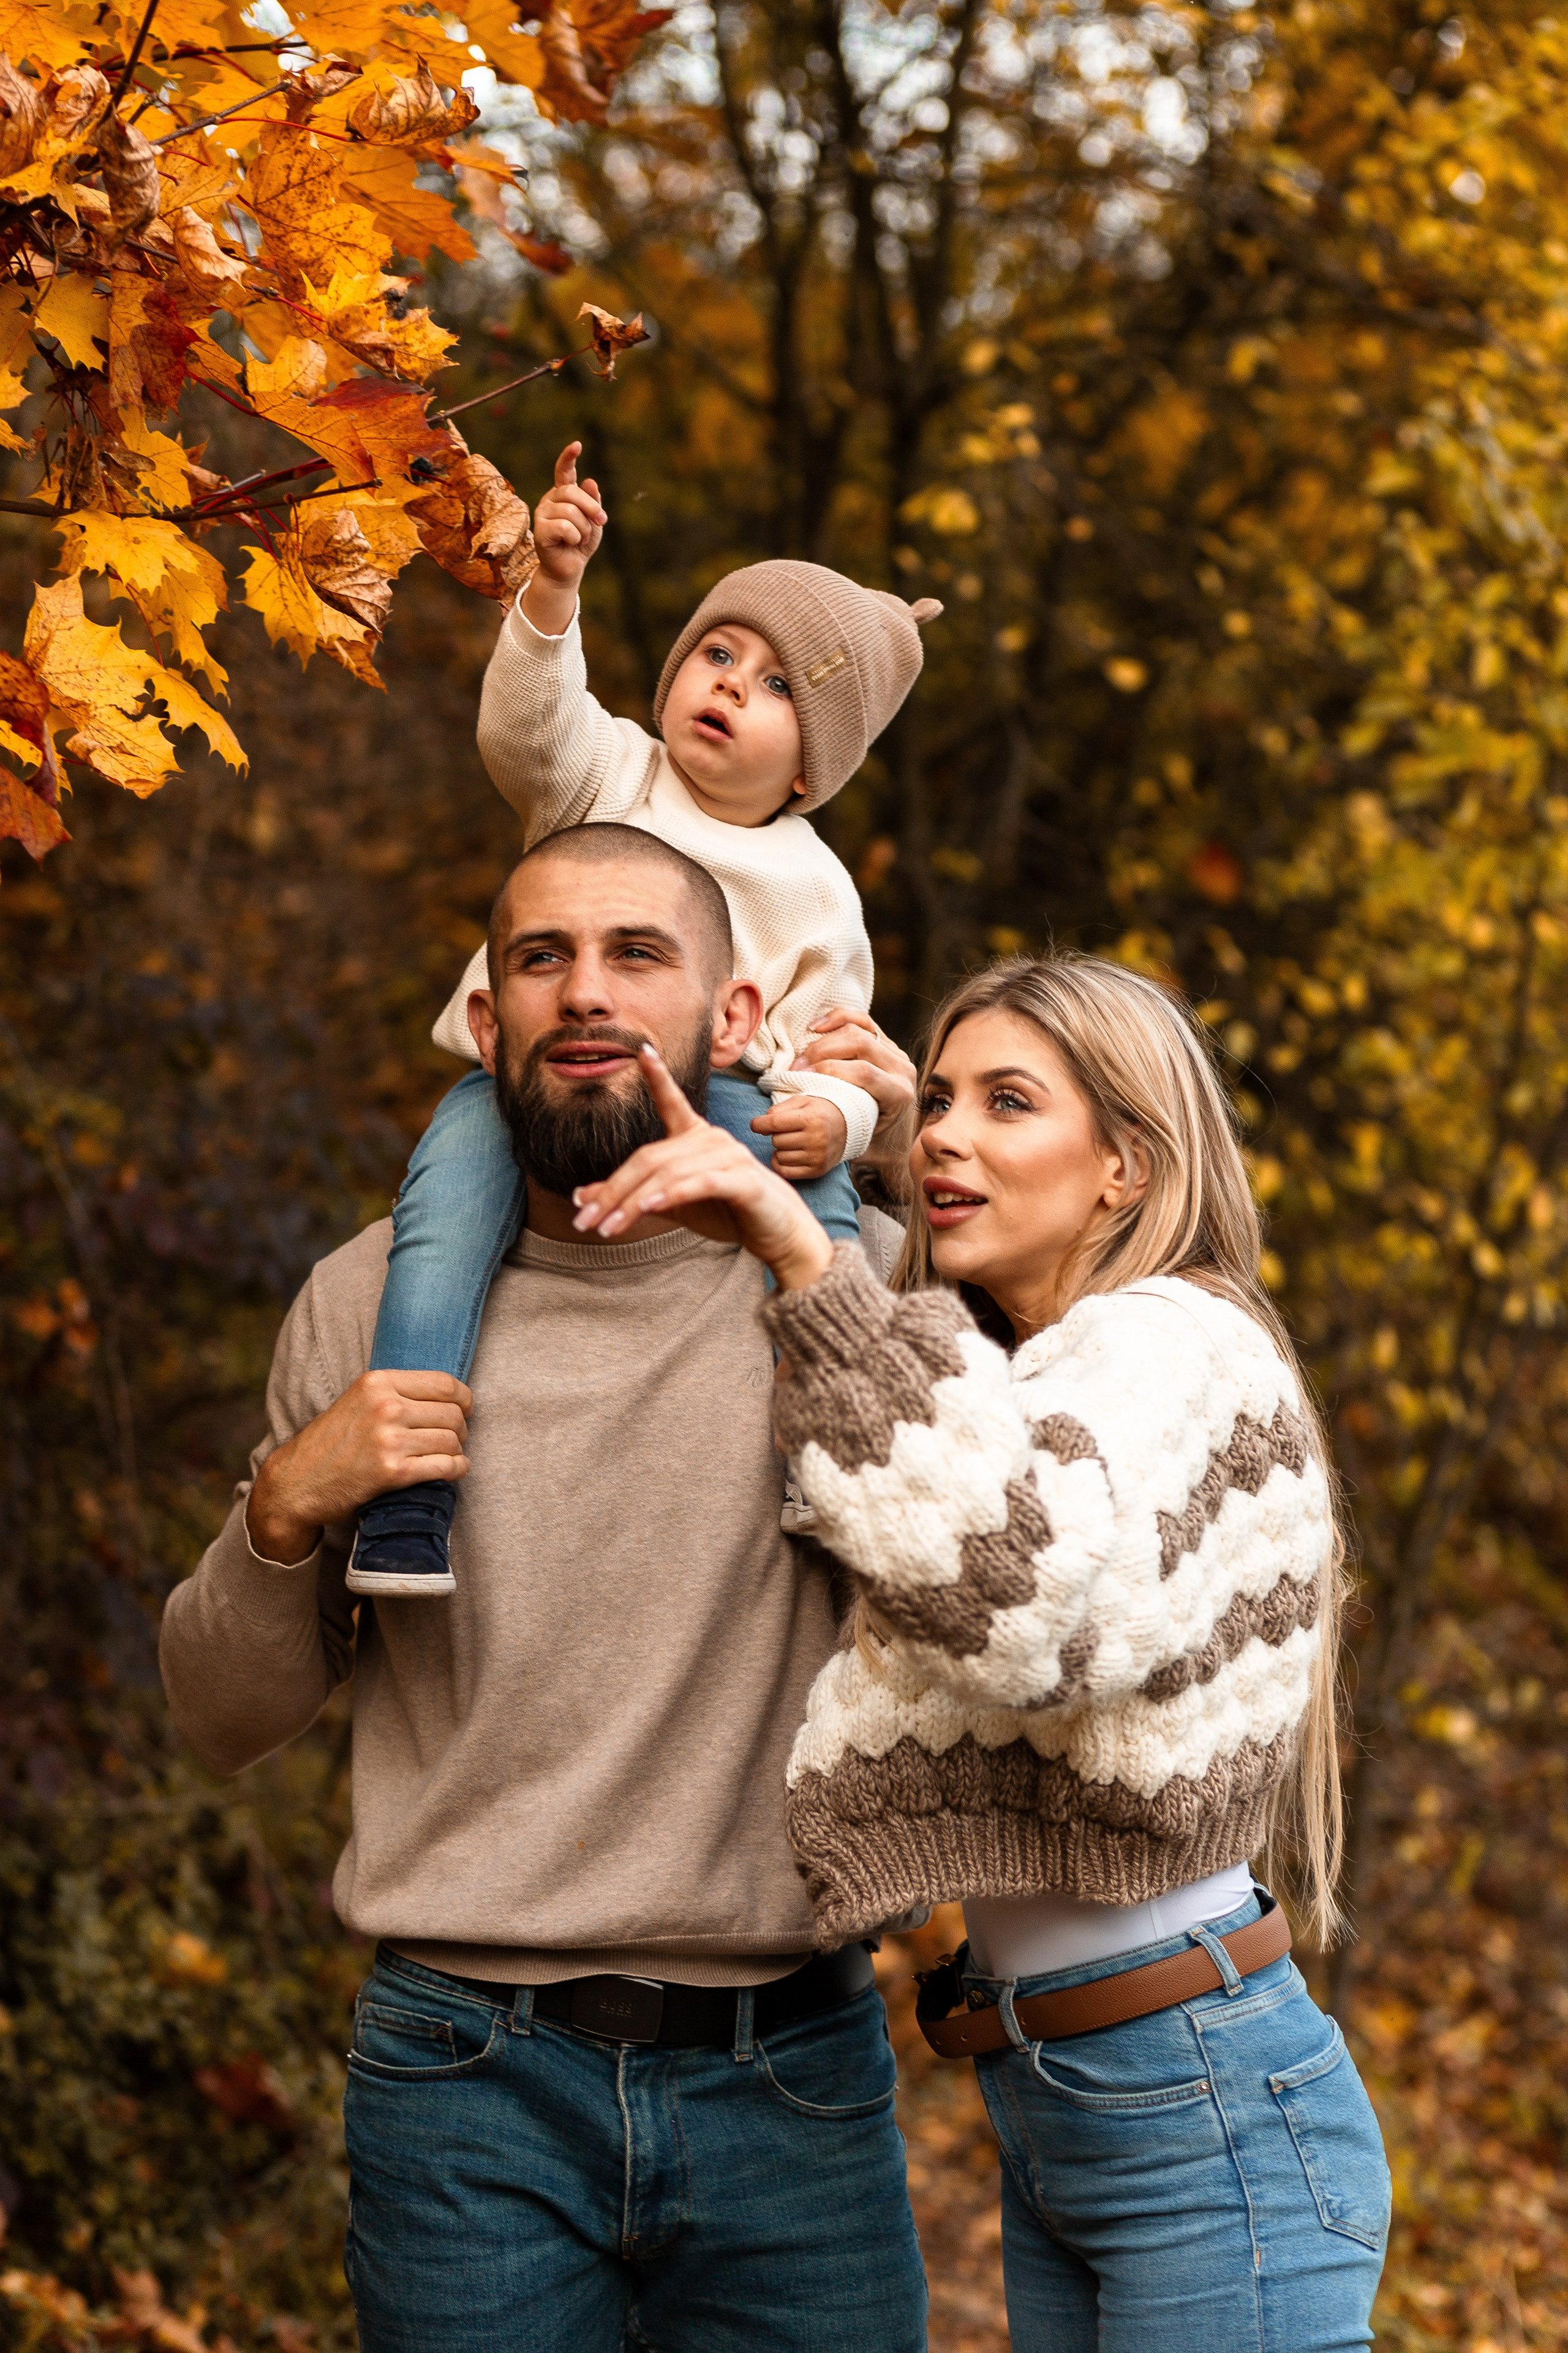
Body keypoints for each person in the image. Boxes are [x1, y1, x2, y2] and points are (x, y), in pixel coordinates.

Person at [158, 826, 928, 2353]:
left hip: (794, 2068)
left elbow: (1003, 1595)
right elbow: (220, 1716)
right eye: (540, 957)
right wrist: (286, 1502)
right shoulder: (367, 1305)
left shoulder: (858, 1285)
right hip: (465, 2085)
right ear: (487, 1013)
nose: (585, 992)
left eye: (637, 953)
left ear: (731, 1018)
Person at [574, 950, 1392, 2353]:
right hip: (1080, 2097)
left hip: (1196, 2113)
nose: (947, 1131)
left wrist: (801, 1253)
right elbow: (951, 1473)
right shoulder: (1056, 1368)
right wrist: (869, 1172)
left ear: (1125, 1166)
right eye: (940, 1097)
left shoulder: (1168, 1341)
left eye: (1008, 1103)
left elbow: (1020, 1600)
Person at [349, 439, 941, 1595]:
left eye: (778, 688)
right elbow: (525, 730)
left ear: (814, 771)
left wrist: (838, 1121)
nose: (730, 684)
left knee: (805, 1206)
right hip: (529, 1081)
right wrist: (555, 591)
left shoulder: (817, 889)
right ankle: (407, 1498)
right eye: (719, 651)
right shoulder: (609, 772)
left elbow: (838, 1041)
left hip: (729, 1096)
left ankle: (824, 1446)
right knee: (439, 1220)